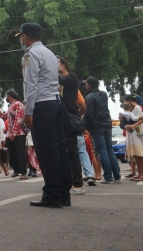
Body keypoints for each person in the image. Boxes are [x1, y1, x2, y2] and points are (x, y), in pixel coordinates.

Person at [18, 22, 72, 209]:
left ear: (25, 37)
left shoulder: (31, 54)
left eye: (21, 37)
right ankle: (64, 194)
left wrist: (28, 111)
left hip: (42, 105)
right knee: (59, 149)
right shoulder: (49, 53)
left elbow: (30, 85)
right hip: (56, 103)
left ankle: (52, 195)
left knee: (47, 151)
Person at [84, 77, 122, 184]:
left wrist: (86, 126)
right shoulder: (104, 94)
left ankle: (108, 177)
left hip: (96, 126)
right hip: (107, 123)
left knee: (102, 150)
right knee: (109, 150)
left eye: (86, 84)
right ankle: (117, 175)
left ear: (89, 85)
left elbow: (89, 114)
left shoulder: (89, 97)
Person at [57, 56, 85, 195]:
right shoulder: (58, 81)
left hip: (70, 118)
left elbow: (62, 80)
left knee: (72, 151)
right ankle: (65, 181)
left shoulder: (72, 77)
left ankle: (78, 183)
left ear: (63, 65)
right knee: (63, 151)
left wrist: (48, 69)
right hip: (60, 118)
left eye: (56, 63)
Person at [122, 95, 143, 181]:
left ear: (129, 100)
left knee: (139, 154)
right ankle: (140, 173)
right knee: (136, 155)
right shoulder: (132, 109)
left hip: (137, 133)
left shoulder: (137, 108)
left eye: (125, 101)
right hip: (132, 133)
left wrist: (133, 125)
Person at [5, 90, 28, 179]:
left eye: (7, 96)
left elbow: (19, 119)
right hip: (11, 133)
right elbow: (5, 117)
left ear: (10, 96)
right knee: (11, 153)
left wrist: (13, 133)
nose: (6, 98)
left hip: (19, 134)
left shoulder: (18, 104)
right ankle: (16, 170)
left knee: (20, 153)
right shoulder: (11, 106)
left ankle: (23, 172)